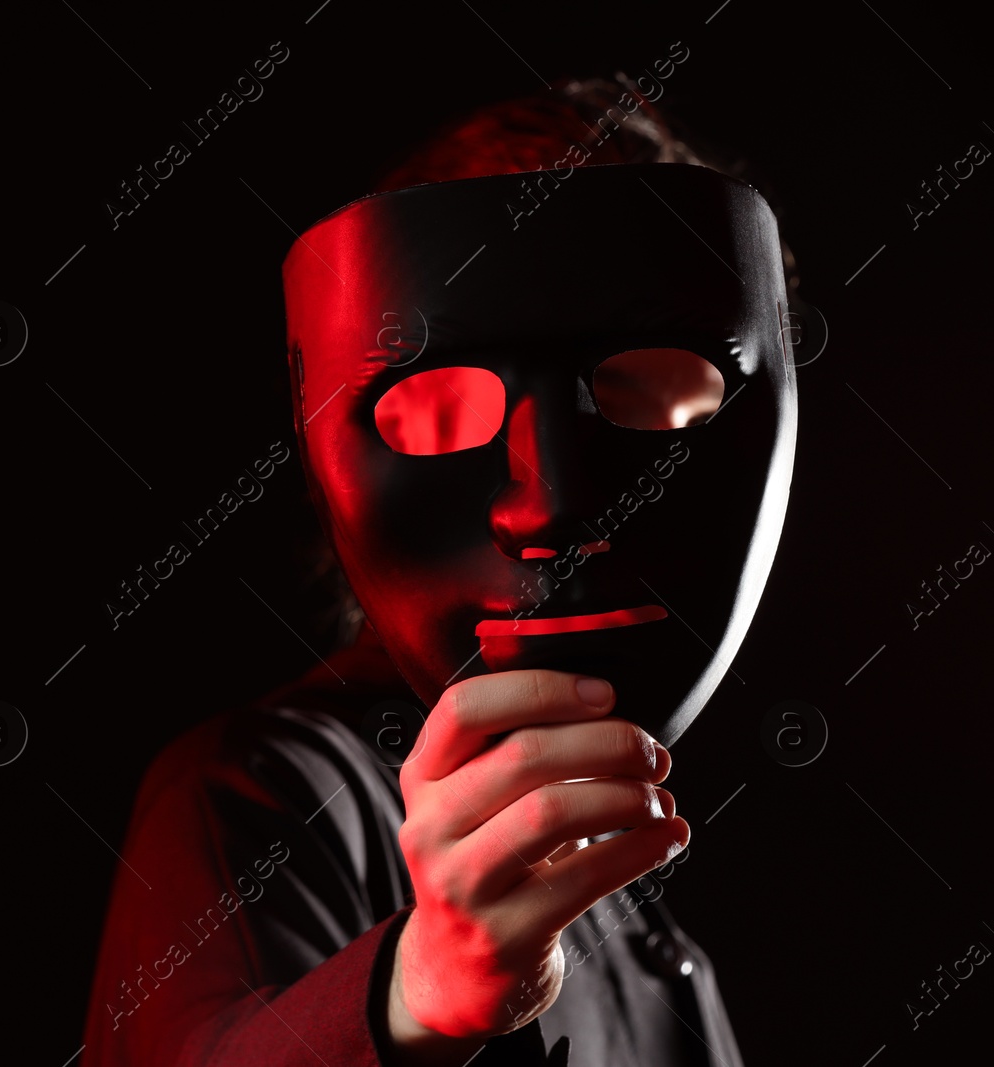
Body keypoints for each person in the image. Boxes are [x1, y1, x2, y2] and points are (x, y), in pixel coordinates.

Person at [81, 77, 798, 1066]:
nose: (546, 504)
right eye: (452, 399)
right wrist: (412, 993)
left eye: (629, 399)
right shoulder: (260, 792)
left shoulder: (633, 896)